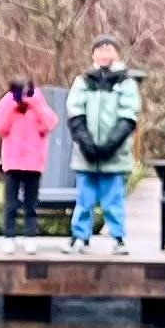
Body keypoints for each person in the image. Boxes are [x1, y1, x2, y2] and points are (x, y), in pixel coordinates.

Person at [64, 39, 142, 246]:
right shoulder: (82, 81)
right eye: (100, 50)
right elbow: (75, 113)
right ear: (93, 54)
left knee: (113, 200)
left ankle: (118, 237)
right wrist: (86, 143)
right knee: (84, 199)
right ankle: (80, 236)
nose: (104, 54)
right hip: (85, 156)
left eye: (109, 50)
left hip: (115, 155)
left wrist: (110, 145)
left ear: (117, 54)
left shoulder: (126, 83)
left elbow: (128, 115)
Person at [0, 77, 56, 237]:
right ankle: (9, 235)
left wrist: (35, 104)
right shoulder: (8, 103)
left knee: (30, 203)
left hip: (33, 163)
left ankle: (30, 234)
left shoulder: (37, 102)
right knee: (10, 203)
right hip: (13, 162)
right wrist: (11, 102)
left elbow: (51, 123)